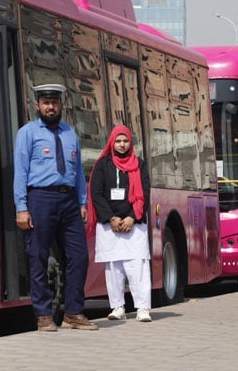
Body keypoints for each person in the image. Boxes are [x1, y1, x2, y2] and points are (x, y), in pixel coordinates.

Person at [13, 83, 98, 332]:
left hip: (69, 200)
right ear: (37, 105)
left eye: (55, 102)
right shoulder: (27, 133)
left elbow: (78, 172)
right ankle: (43, 315)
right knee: (38, 256)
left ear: (61, 105)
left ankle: (73, 312)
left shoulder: (70, 133)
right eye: (46, 103)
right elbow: (21, 172)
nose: (51, 107)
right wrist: (21, 207)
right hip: (40, 198)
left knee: (79, 255)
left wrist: (82, 201)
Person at [87, 124, 152, 322]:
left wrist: (132, 217)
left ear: (130, 143)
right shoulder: (102, 165)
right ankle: (117, 307)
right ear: (112, 143)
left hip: (134, 224)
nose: (122, 145)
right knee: (114, 269)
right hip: (110, 226)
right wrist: (112, 218)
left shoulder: (139, 164)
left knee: (137, 267)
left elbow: (145, 193)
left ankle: (142, 308)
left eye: (125, 141)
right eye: (118, 141)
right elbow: (96, 194)